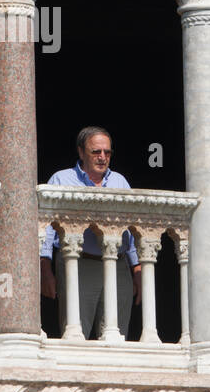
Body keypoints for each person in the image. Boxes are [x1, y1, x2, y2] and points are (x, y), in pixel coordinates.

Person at [40, 126, 141, 340]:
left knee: (117, 336)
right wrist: (45, 269)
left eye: (107, 152)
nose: (102, 157)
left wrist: (138, 270)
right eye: (96, 152)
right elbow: (46, 230)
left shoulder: (120, 182)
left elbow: (131, 231)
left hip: (118, 266)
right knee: (76, 335)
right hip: (78, 265)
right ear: (81, 152)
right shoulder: (61, 179)